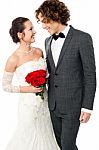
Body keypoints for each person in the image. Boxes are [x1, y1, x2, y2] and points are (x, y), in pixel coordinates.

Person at [35, 0, 96, 149]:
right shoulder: (47, 41)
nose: (43, 26)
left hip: (73, 105)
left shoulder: (82, 38)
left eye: (45, 21)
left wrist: (87, 107)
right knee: (60, 145)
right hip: (53, 104)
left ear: (55, 16)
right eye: (41, 22)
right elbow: (52, 72)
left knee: (67, 145)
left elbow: (90, 75)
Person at [2, 17, 60, 150]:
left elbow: (49, 74)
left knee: (47, 135)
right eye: (30, 29)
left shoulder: (39, 51)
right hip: (29, 106)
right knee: (30, 137)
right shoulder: (13, 59)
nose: (35, 31)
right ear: (20, 35)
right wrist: (28, 88)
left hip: (45, 103)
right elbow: (6, 86)